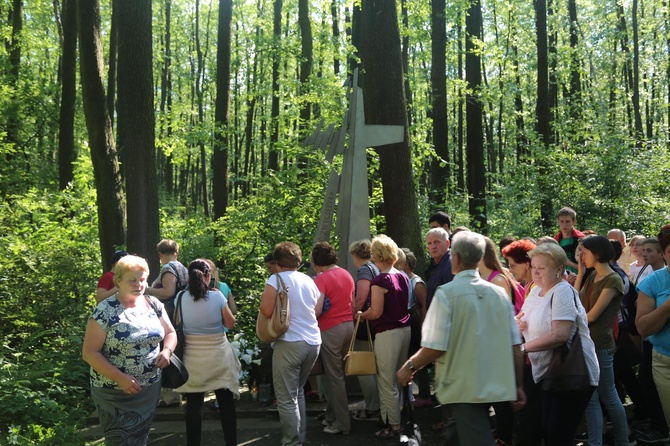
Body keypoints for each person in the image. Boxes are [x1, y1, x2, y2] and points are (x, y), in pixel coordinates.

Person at [397, 231, 526, 445]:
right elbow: (514, 344)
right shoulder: (500, 294)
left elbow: (435, 346)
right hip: (492, 385)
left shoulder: (446, 294)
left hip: (463, 387)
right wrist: (518, 384)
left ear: (454, 257)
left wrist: (409, 367)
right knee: (456, 436)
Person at [82, 255, 177, 445]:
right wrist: (120, 378)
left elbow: (170, 332)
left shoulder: (154, 304)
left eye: (142, 279)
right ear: (118, 281)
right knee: (120, 441)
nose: (138, 284)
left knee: (139, 439)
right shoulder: (104, 310)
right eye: (132, 280)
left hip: (148, 388)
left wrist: (166, 351)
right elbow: (89, 353)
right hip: (114, 392)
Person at [516, 243, 599, 445]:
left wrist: (523, 348)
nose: (535, 272)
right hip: (545, 371)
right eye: (533, 266)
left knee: (558, 433)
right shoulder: (536, 291)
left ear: (559, 269)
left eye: (541, 268)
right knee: (546, 428)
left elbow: (560, 335)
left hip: (570, 371)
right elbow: (522, 318)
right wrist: (518, 324)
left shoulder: (562, 291)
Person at [259, 241, 321, 446]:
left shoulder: (275, 280)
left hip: (289, 342)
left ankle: (291, 442)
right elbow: (316, 308)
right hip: (313, 342)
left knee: (286, 398)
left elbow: (267, 311)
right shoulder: (308, 280)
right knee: (297, 392)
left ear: (277, 262)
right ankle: (298, 437)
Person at [173, 259, 238, 446]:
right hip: (219, 356)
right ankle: (231, 442)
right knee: (226, 404)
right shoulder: (217, 297)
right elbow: (230, 324)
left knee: (193, 407)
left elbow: (178, 324)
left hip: (192, 359)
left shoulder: (179, 298)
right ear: (208, 276)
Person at [574, 235, 629, 446]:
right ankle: (596, 443)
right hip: (587, 344)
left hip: (601, 346)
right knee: (590, 400)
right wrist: (580, 274)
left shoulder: (612, 279)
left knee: (609, 396)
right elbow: (576, 299)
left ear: (596, 253)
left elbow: (591, 315)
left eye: (584, 252)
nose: (580, 256)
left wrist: (571, 319)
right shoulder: (591, 276)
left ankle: (623, 441)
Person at [359, 235, 411, 439]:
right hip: (405, 330)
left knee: (386, 381)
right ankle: (397, 419)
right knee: (399, 379)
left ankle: (393, 425)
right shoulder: (402, 276)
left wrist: (362, 315)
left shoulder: (380, 279)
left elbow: (376, 312)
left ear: (377, 255)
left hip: (388, 333)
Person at [311, 242, 355, 435]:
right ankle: (331, 416)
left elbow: (318, 309)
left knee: (334, 377)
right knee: (338, 375)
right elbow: (352, 304)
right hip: (349, 326)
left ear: (317, 261)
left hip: (331, 328)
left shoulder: (321, 278)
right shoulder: (346, 274)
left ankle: (342, 424)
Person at [634, 229, 670, 444]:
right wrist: (667, 307)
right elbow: (643, 328)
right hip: (665, 363)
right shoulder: (653, 283)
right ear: (664, 254)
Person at [145, 239, 188, 407]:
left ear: (160, 254)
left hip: (169, 313)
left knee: (167, 351)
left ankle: (171, 396)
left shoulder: (169, 268)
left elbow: (168, 292)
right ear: (176, 251)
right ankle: (176, 393)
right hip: (179, 312)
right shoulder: (182, 267)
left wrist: (147, 290)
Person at [348, 239, 381, 421]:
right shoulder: (375, 267)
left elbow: (361, 298)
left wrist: (354, 317)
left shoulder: (364, 270)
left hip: (365, 322)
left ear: (355, 254)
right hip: (376, 322)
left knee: (364, 366)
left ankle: (372, 406)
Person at [399, 247, 430, 408]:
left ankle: (424, 394)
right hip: (409, 319)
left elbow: (424, 304)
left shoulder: (416, 282)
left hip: (415, 320)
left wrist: (422, 325)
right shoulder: (403, 278)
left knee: (416, 356)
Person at [425, 228, 454, 309]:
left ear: (448, 243)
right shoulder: (435, 265)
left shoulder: (452, 265)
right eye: (429, 243)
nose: (433, 246)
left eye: (436, 242)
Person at [553, 206, 585, 273]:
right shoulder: (555, 241)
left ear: (574, 222)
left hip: (580, 278)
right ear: (558, 222)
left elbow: (587, 267)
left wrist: (569, 263)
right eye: (562, 221)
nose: (564, 225)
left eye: (567, 221)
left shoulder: (582, 240)